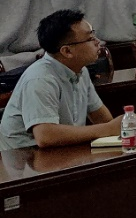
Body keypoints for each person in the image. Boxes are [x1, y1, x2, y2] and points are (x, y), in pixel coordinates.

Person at [0, 10, 123, 150]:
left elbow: (102, 119)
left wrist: (120, 129)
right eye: (90, 39)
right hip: (23, 159)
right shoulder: (40, 79)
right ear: (67, 51)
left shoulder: (80, 71)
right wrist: (106, 129)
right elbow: (45, 136)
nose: (98, 42)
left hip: (58, 152)